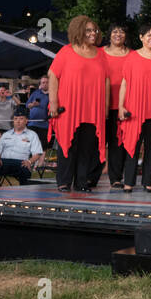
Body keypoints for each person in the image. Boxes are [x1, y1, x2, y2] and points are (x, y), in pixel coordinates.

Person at [48, 17, 109, 193]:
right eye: (89, 30)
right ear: (79, 31)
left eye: (94, 30)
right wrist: (53, 102)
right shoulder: (66, 51)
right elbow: (53, 75)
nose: (93, 34)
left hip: (92, 109)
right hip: (69, 107)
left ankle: (81, 181)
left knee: (87, 147)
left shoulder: (101, 54)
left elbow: (105, 81)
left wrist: (105, 107)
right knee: (68, 143)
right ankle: (64, 181)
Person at [117, 22, 151, 193]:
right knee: (132, 145)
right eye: (148, 35)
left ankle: (148, 181)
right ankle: (129, 182)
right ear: (141, 37)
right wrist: (121, 106)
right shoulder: (132, 57)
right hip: (135, 109)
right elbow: (125, 83)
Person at [99, 22, 132, 189]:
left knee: (119, 143)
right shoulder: (99, 53)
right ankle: (90, 176)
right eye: (114, 31)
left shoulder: (133, 55)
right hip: (102, 104)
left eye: (121, 31)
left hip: (125, 105)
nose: (118, 34)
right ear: (109, 34)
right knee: (99, 141)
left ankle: (116, 178)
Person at [0, 107, 45, 187]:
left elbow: (37, 153)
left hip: (21, 163)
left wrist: (30, 161)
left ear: (26, 121)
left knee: (25, 173)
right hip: (4, 162)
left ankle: (23, 196)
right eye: (15, 119)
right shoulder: (6, 134)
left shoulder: (32, 135)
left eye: (21, 119)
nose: (18, 121)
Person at [25, 75, 51, 147]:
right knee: (29, 144)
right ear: (40, 84)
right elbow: (27, 105)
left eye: (47, 82)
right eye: (43, 82)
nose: (45, 84)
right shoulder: (35, 93)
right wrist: (32, 105)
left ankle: (40, 158)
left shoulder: (53, 94)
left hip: (45, 124)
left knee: (43, 146)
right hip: (32, 123)